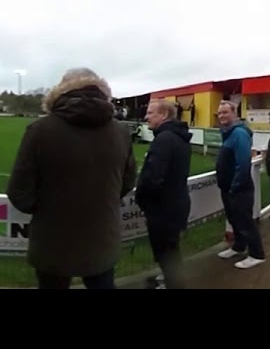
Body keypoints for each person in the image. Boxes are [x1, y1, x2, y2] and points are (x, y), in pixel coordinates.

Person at [7, 68, 137, 289]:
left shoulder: (40, 130)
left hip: (53, 241)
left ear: (61, 89)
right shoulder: (121, 132)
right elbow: (128, 182)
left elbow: (19, 191)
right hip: (102, 237)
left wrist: (47, 210)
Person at [135, 99, 192, 289]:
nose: (146, 116)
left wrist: (143, 200)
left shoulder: (165, 139)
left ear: (164, 115)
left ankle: (174, 283)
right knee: (171, 251)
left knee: (167, 253)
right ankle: (171, 280)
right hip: (174, 205)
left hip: (163, 210)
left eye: (151, 113)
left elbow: (153, 179)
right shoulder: (178, 137)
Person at [215, 101, 266, 269]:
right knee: (234, 219)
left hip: (238, 187)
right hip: (228, 187)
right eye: (219, 113)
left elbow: (243, 163)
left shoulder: (239, 134)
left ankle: (257, 254)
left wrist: (234, 186)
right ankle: (238, 246)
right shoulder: (228, 133)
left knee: (245, 220)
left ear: (234, 114)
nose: (221, 116)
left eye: (225, 112)